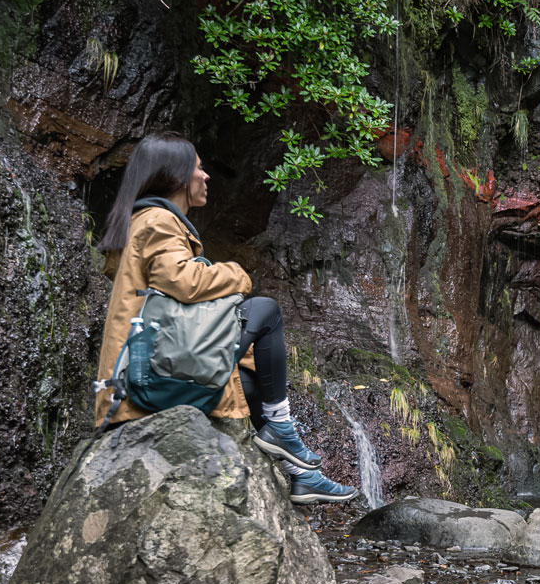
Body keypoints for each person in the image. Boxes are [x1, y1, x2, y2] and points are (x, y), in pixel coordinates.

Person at [93, 132, 358, 504]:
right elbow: (183, 282)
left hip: (143, 379)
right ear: (176, 176)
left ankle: (301, 474)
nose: (206, 176)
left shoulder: (142, 223)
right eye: (199, 169)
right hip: (147, 380)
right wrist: (237, 274)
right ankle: (282, 429)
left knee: (251, 383)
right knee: (264, 310)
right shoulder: (158, 221)